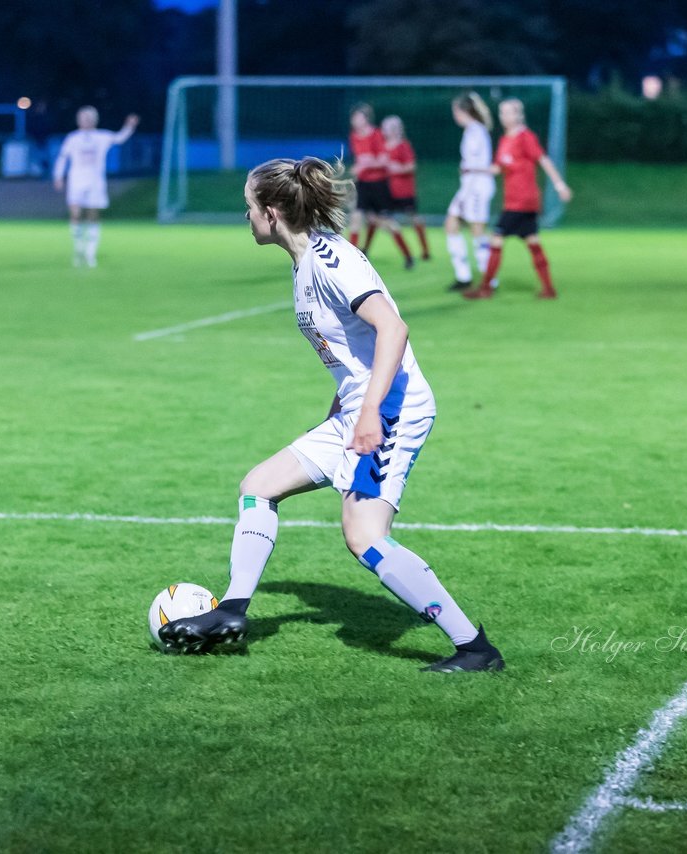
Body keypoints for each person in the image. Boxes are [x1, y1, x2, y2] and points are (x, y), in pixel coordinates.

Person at [158, 157, 504, 673]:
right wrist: (339, 413)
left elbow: (393, 329)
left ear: (272, 212)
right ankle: (231, 610)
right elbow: (352, 356)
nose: (245, 217)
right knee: (259, 485)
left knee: (363, 536)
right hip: (356, 409)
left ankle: (475, 648)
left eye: (249, 207)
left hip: (391, 410)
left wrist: (367, 416)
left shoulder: (331, 261)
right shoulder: (304, 262)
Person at [465, 98, 572, 301]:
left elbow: (543, 160)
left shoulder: (525, 137)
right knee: (533, 241)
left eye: (507, 112)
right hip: (515, 201)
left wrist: (560, 185)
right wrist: (474, 169)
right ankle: (548, 289)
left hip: (521, 201)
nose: (503, 116)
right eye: (501, 112)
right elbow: (497, 168)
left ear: (518, 115)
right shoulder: (505, 139)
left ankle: (485, 288)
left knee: (496, 239)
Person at [53, 107, 139, 267]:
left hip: (95, 181)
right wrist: (58, 176)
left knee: (93, 214)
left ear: (94, 120)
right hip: (76, 180)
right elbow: (62, 157)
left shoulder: (102, 136)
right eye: (82, 118)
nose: (85, 121)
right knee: (75, 213)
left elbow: (119, 138)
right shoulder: (73, 138)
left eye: (88, 118)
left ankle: (90, 252)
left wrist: (129, 126)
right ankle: (78, 247)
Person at [346, 104, 414, 269]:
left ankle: (408, 256)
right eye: (353, 118)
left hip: (379, 184)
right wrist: (358, 168)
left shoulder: (376, 135)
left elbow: (384, 161)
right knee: (356, 219)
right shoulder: (354, 136)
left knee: (385, 222)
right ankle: (349, 259)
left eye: (358, 117)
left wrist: (368, 163)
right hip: (363, 184)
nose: (354, 121)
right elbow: (360, 161)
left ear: (366, 118)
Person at [444, 92, 496, 292]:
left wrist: (466, 194)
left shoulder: (476, 131)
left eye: (455, 111)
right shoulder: (473, 131)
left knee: (477, 232)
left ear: (463, 111)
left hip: (476, 188)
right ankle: (463, 276)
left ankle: (489, 278)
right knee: (451, 225)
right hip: (470, 186)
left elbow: (477, 166)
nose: (454, 115)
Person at [381, 115, 431, 262]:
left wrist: (398, 168)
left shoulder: (403, 145)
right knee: (386, 220)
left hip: (404, 191)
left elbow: (411, 166)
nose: (383, 131)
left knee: (414, 219)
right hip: (388, 191)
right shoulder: (383, 146)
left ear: (395, 130)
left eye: (386, 128)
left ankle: (425, 250)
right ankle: (408, 255)